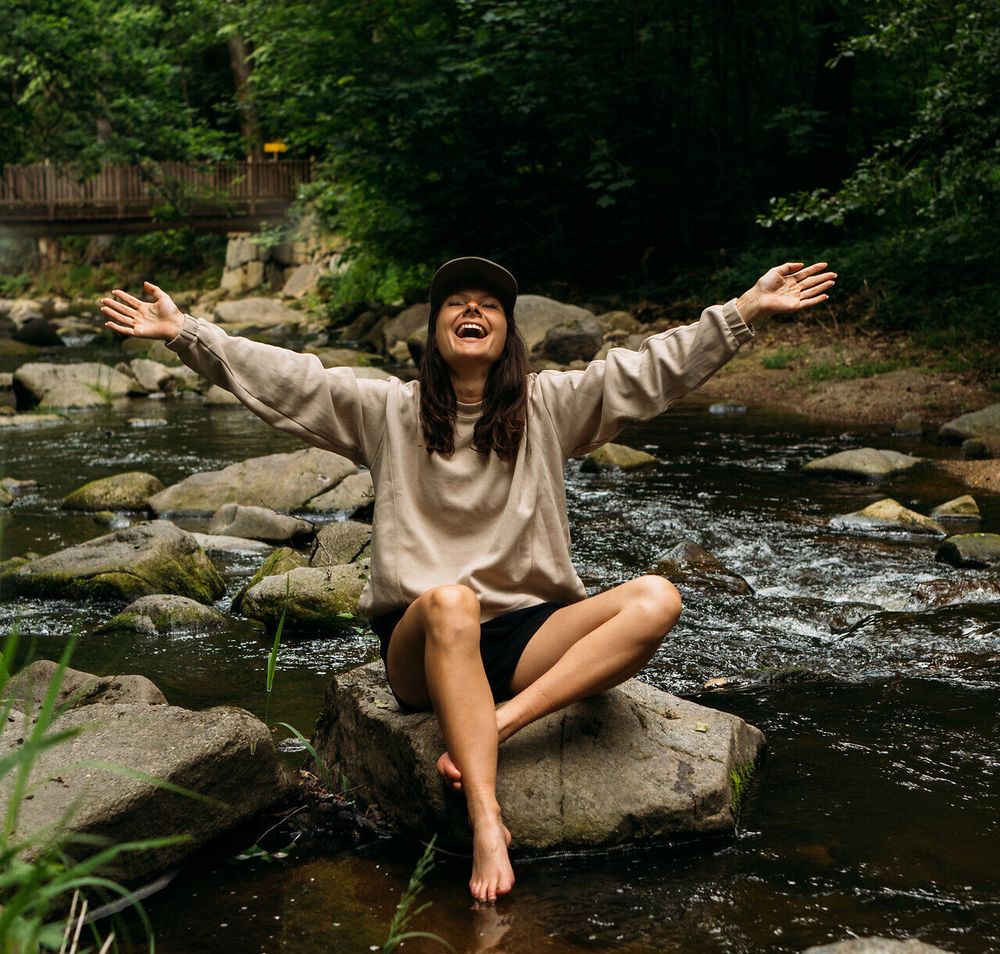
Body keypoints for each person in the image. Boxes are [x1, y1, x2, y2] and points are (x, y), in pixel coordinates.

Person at [100, 255, 835, 903]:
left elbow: (647, 372)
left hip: (527, 635)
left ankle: (501, 721)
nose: (472, 309)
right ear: (437, 331)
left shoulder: (550, 405)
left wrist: (742, 312)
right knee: (451, 600)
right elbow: (291, 380)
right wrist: (187, 334)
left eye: (488, 303)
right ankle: (487, 818)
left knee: (657, 597)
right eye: (456, 301)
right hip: (423, 640)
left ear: (508, 333)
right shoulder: (388, 410)